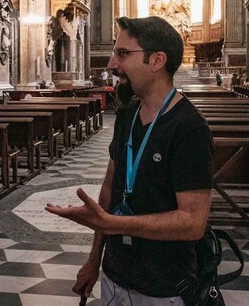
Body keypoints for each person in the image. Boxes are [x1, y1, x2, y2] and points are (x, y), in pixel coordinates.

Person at [46, 16, 214, 304]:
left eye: (122, 54)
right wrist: (94, 259)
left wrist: (116, 224)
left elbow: (193, 223)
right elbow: (111, 189)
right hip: (115, 274)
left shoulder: (189, 128)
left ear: (157, 60)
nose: (111, 64)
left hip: (164, 286)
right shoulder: (127, 114)